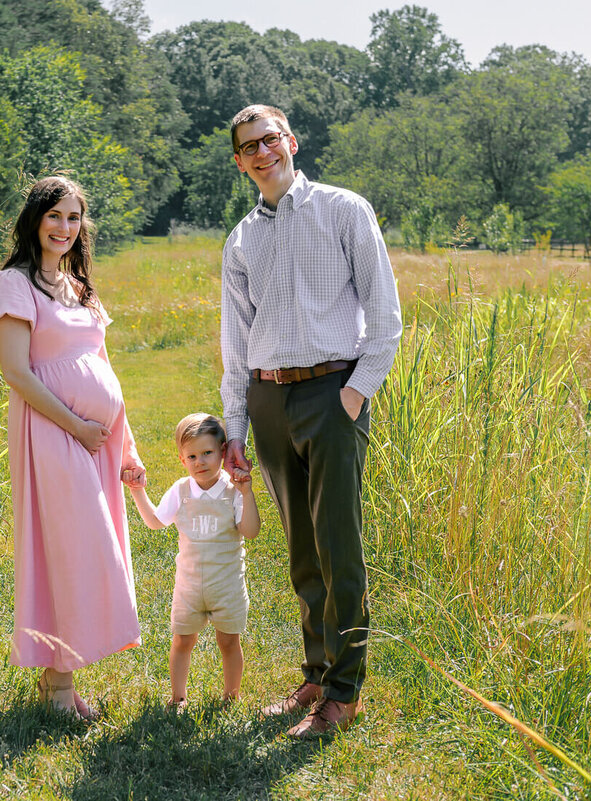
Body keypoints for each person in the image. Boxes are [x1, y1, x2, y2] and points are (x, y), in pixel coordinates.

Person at [220, 105, 402, 738]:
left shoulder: (345, 210)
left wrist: (355, 395)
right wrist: (236, 427)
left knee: (338, 546)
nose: (261, 152)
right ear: (240, 162)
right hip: (270, 401)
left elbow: (385, 316)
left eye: (269, 139)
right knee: (302, 549)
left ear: (290, 142)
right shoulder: (242, 239)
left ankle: (345, 694)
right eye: (248, 147)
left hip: (333, 394)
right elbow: (236, 346)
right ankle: (316, 675)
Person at [0, 176, 146, 721]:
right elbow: (17, 374)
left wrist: (126, 446)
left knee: (86, 553)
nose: (64, 227)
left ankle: (62, 683)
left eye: (73, 218)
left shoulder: (78, 287)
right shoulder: (12, 284)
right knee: (71, 553)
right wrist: (77, 426)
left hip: (96, 441)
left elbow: (104, 370)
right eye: (54, 216)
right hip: (53, 433)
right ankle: (58, 690)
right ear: (34, 219)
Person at [128, 413, 260, 710]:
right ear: (181, 459)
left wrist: (247, 493)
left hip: (226, 585)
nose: (200, 462)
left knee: (228, 641)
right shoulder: (181, 490)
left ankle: (231, 696)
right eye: (192, 456)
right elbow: (155, 521)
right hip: (189, 586)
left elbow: (250, 531)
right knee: (182, 641)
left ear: (223, 452)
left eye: (207, 453)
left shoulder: (232, 491)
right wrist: (138, 491)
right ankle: (178, 697)